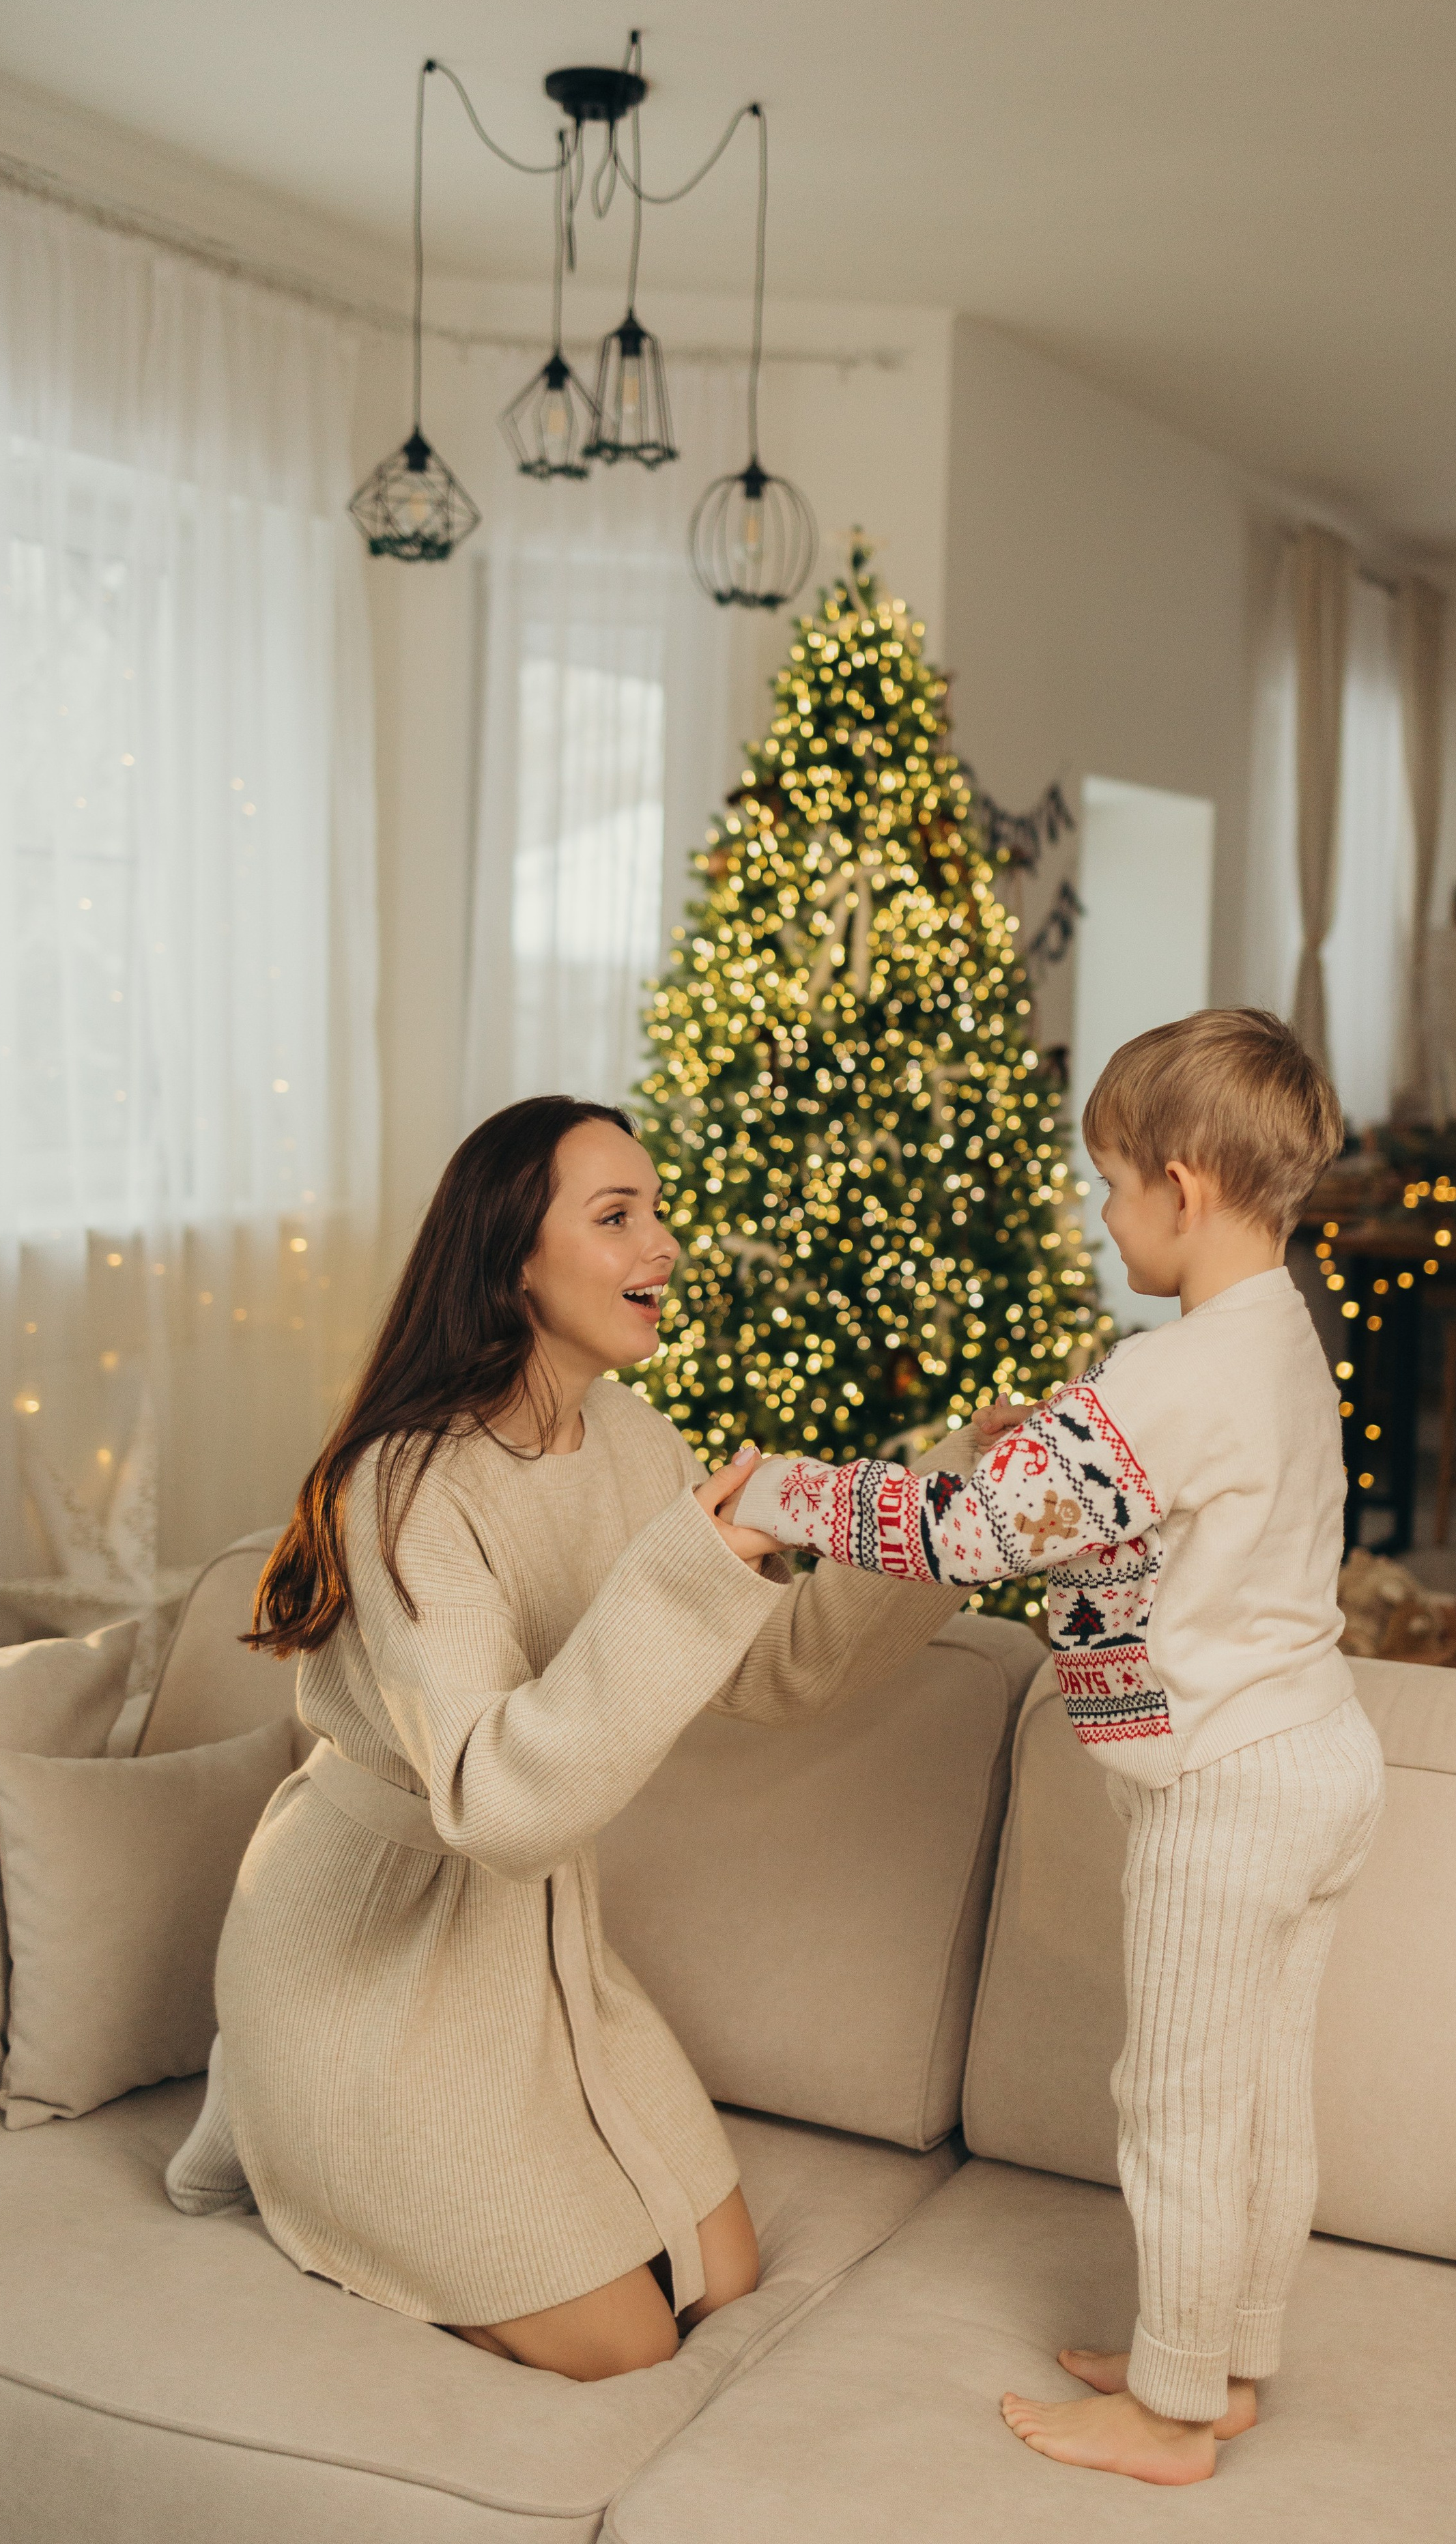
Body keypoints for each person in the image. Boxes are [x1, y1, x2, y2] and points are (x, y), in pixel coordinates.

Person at [165, 1096, 994, 2381]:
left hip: (534, 1948)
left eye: (656, 1212)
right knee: (622, 2343)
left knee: (725, 2276)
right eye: (617, 1218)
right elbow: (499, 1808)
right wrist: (692, 1561)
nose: (662, 1245)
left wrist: (953, 1495)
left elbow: (773, 1665)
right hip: (361, 1965)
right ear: (514, 1260)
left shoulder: (632, 1439)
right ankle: (289, 2120)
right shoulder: (403, 1486)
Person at [721, 1009, 1386, 2483]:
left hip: (1227, 1785)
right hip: (1321, 1756)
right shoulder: (1281, 1334)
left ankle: (1169, 2413)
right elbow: (1159, 1511)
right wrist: (1052, 1446)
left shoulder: (1169, 1373)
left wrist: (776, 1494)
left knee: (1178, 2105)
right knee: (1262, 2090)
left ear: (1181, 1187)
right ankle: (1226, 2366)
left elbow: (964, 1534)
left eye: (1110, 1187)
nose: (1103, 1216)